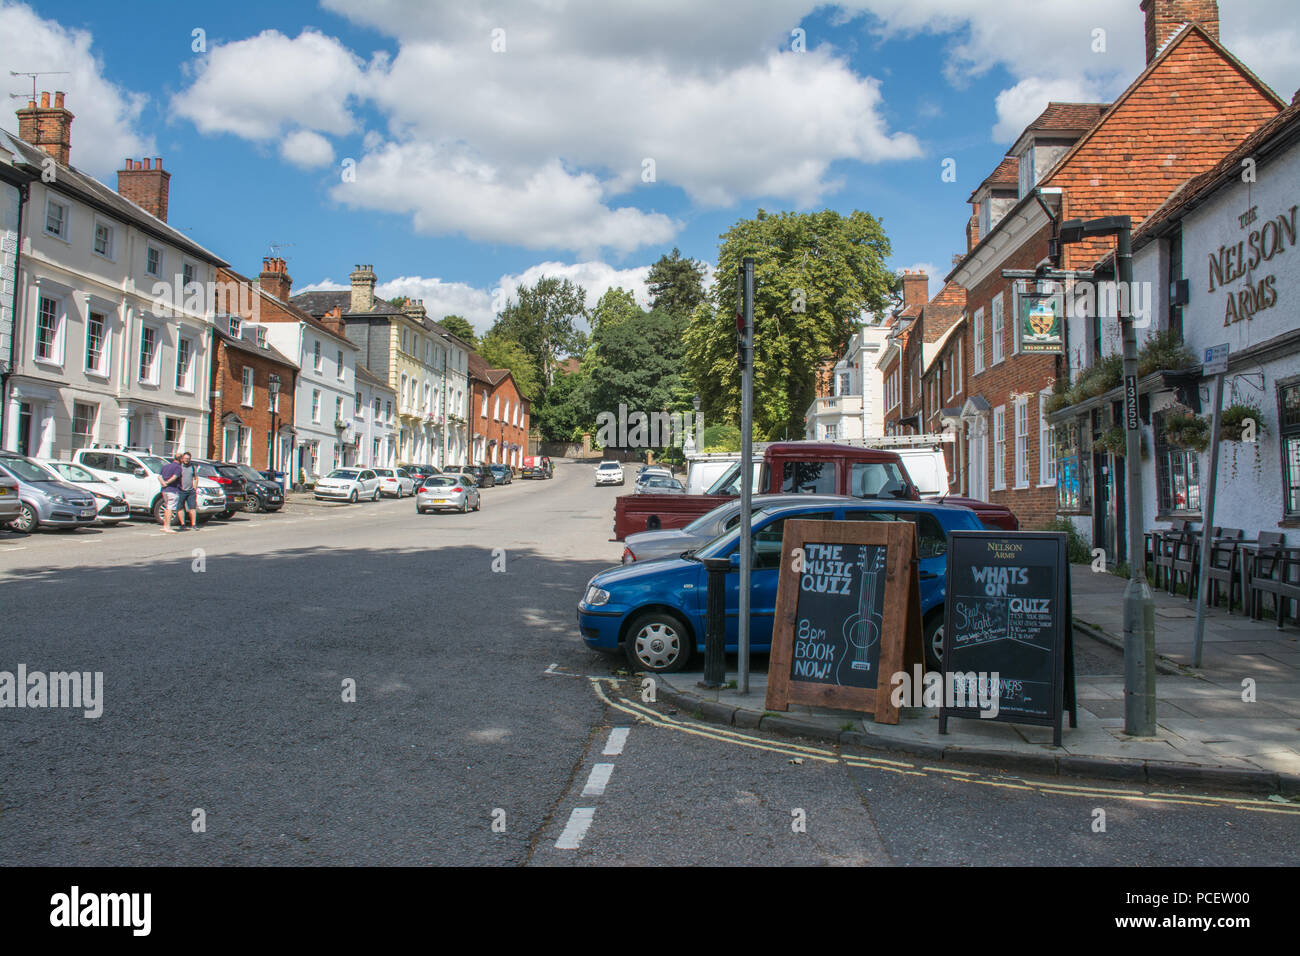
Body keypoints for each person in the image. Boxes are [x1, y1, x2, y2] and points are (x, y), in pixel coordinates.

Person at [159, 453, 182, 533]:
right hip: (173, 490)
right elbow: (174, 477)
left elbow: (159, 476)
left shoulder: (166, 466)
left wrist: (163, 483)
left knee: (167, 507)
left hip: (164, 490)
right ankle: (167, 526)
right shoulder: (178, 467)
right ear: (180, 459)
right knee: (170, 508)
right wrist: (167, 483)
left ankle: (165, 525)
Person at [177, 451, 200, 529]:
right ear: (182, 458)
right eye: (185, 458)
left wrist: (195, 487)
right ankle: (182, 524)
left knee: (192, 508)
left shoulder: (192, 467)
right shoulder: (179, 466)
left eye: (188, 459)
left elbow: (196, 478)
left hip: (191, 491)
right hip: (181, 490)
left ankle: (193, 524)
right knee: (180, 507)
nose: (186, 460)